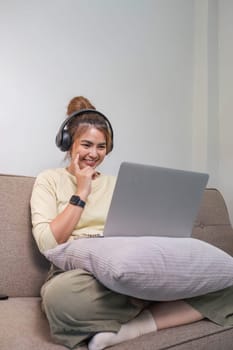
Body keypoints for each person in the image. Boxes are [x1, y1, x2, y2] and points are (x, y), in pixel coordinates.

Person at [30, 96, 233, 350]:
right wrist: (82, 192)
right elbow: (48, 244)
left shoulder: (118, 183)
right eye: (86, 144)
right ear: (68, 144)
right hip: (79, 275)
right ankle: (160, 299)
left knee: (228, 284)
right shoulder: (49, 180)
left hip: (131, 266)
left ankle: (139, 324)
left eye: (101, 147)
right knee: (60, 300)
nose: (94, 154)